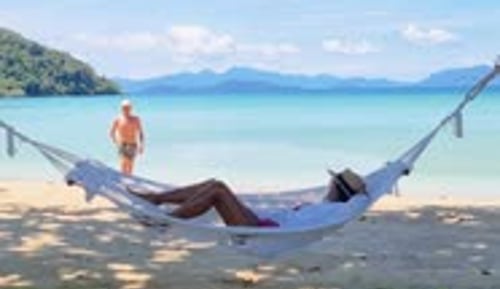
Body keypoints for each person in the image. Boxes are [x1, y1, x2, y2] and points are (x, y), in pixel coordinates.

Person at [135, 169, 367, 228]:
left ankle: (167, 221)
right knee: (214, 184)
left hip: (263, 231)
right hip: (261, 221)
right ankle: (157, 199)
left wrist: (398, 168)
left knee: (218, 190)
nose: (328, 183)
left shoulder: (335, 210)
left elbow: (358, 203)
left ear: (336, 186)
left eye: (333, 181)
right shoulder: (326, 205)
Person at [110, 99, 145, 175]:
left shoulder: (136, 119)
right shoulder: (118, 119)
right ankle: (124, 182)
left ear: (131, 108)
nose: (126, 109)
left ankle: (130, 183)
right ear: (121, 109)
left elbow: (141, 133)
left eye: (128, 107)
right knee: (123, 165)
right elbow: (111, 133)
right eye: (124, 107)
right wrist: (116, 143)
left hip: (133, 144)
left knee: (130, 166)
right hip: (123, 144)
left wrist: (142, 145)